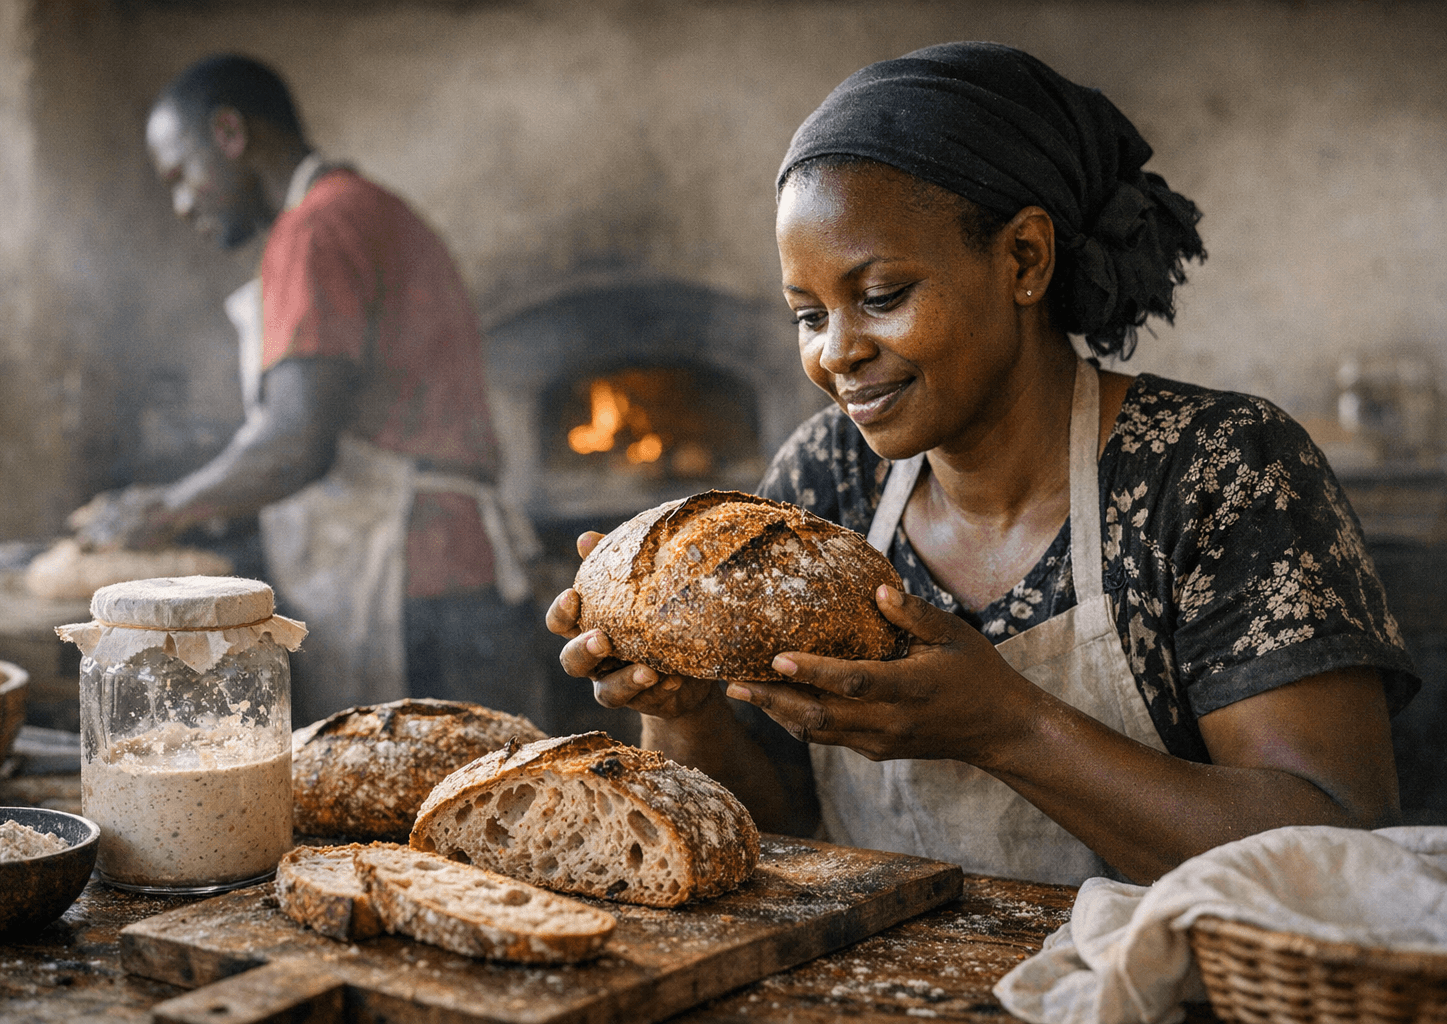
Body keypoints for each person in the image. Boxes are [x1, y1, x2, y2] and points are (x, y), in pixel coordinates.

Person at [547, 42, 1418, 886]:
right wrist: (688, 716)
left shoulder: (1216, 471)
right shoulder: (827, 477)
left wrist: (1007, 728)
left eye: (880, 296)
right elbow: (774, 827)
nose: (837, 354)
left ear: (1024, 259)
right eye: (808, 315)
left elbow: (1338, 851)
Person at [73, 55, 544, 726]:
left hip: (412, 576)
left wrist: (164, 508)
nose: (182, 205)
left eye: (181, 175)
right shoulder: (372, 208)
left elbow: (296, 439)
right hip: (462, 570)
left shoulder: (316, 228)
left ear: (230, 134)